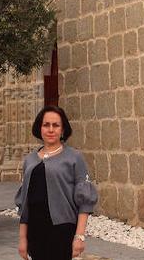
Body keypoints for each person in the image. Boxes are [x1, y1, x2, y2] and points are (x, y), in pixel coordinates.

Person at [15, 106, 97, 260]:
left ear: (63, 129)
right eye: (46, 125)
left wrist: (79, 236)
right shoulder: (30, 160)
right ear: (39, 128)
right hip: (35, 231)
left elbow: (85, 201)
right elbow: (24, 205)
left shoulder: (74, 158)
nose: (51, 129)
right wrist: (22, 239)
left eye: (56, 125)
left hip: (62, 230)